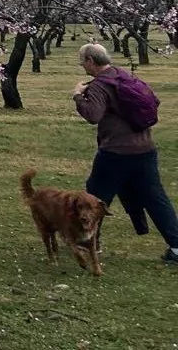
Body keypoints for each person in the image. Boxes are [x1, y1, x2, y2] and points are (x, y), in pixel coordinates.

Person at [73, 42, 178, 265]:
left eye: (83, 61)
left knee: (94, 198)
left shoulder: (100, 85)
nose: (82, 66)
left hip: (116, 153)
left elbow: (93, 115)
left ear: (91, 61)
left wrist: (78, 96)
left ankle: (89, 243)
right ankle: (177, 246)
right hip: (145, 148)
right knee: (155, 198)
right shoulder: (124, 76)